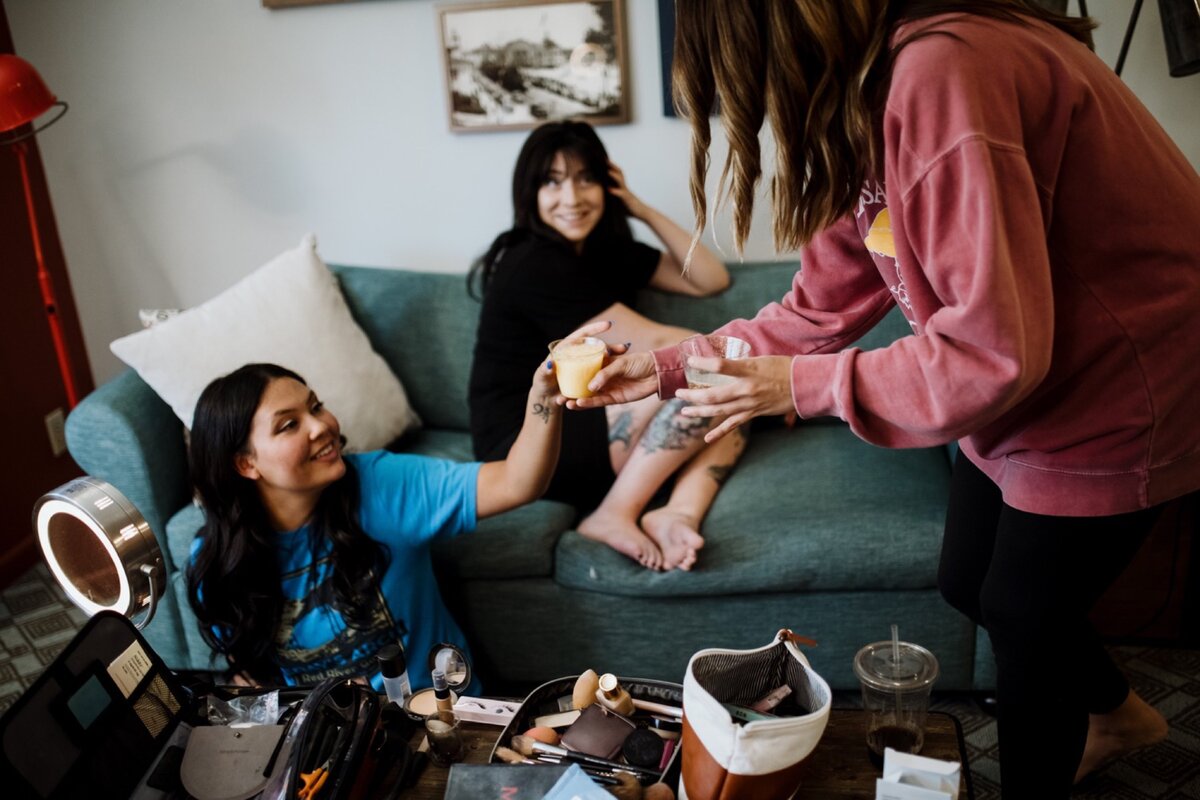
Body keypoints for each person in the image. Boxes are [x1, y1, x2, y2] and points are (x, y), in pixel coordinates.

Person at [575, 1, 1200, 796]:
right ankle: (1117, 715)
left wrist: (799, 389)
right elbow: (814, 311)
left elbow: (989, 351)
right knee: (967, 580)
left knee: (1022, 613)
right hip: (1024, 378)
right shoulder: (870, 102)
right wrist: (665, 368)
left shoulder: (942, 69)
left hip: (1118, 378)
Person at [186, 345, 584, 691]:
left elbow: (517, 482)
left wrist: (544, 397)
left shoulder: (381, 484)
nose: (321, 426)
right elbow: (251, 674)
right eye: (289, 425)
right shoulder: (220, 561)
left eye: (316, 406)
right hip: (330, 740)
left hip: (440, 719)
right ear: (245, 463)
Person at [468, 120, 743, 572]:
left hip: (588, 412)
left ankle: (676, 513)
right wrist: (756, 366)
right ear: (529, 192)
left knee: (727, 398)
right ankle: (613, 513)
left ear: (606, 184)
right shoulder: (532, 263)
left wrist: (639, 208)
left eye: (585, 178)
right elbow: (654, 343)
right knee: (711, 383)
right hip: (526, 440)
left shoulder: (608, 251)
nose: (572, 198)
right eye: (552, 182)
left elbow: (712, 280)